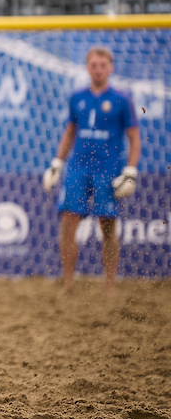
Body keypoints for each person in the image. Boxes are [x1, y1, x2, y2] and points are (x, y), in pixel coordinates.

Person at [42, 47, 141, 294]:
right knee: (67, 223)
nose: (98, 69)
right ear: (87, 68)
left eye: (102, 65)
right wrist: (57, 162)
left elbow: (134, 138)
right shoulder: (77, 97)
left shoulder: (122, 99)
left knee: (107, 227)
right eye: (94, 65)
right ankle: (68, 285)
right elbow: (70, 131)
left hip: (107, 169)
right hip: (78, 167)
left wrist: (130, 170)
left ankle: (109, 286)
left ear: (111, 68)